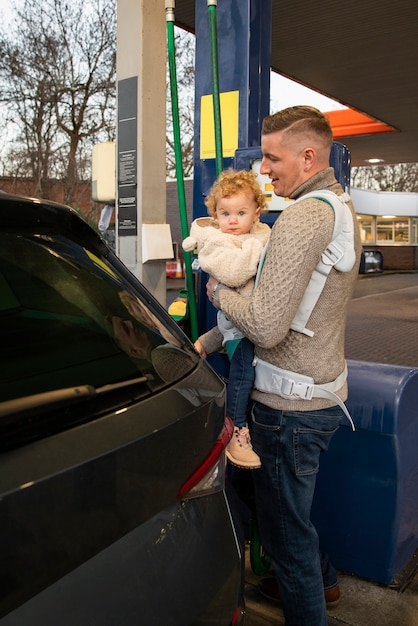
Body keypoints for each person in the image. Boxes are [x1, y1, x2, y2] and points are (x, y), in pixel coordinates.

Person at [205, 106, 362, 625]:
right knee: (277, 508)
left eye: (272, 157)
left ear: (308, 156)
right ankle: (328, 584)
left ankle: (308, 594)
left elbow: (267, 327)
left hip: (286, 408)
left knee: (286, 540)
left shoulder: (302, 216)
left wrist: (218, 291)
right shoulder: (339, 206)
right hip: (318, 396)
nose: (264, 168)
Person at [182, 169, 271, 469]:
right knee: (243, 375)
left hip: (240, 320)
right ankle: (235, 429)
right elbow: (234, 274)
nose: (232, 221)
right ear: (215, 215)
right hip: (242, 325)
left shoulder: (255, 236)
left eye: (241, 212)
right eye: (225, 213)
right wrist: (255, 247)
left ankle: (203, 344)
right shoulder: (218, 243)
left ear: (256, 212)